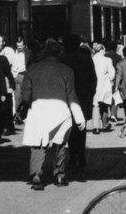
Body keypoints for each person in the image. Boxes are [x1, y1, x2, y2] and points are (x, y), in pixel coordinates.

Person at [16, 39, 85, 189]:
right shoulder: (66, 70)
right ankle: (59, 175)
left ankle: (36, 174)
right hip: (60, 110)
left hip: (39, 110)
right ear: (59, 52)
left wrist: (22, 109)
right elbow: (71, 95)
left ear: (43, 52)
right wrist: (79, 117)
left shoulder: (33, 69)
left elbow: (26, 93)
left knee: (38, 144)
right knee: (59, 143)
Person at [61, 35, 96, 177]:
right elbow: (93, 79)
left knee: (69, 129)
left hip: (66, 98)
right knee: (81, 129)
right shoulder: (85, 58)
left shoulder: (63, 60)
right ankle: (80, 156)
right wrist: (90, 95)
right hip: (83, 97)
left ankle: (72, 156)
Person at [91, 41, 116, 132]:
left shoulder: (92, 59)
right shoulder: (107, 60)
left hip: (94, 84)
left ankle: (95, 127)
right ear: (101, 49)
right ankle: (105, 124)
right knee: (104, 105)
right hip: (105, 85)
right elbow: (112, 73)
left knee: (95, 105)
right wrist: (110, 79)